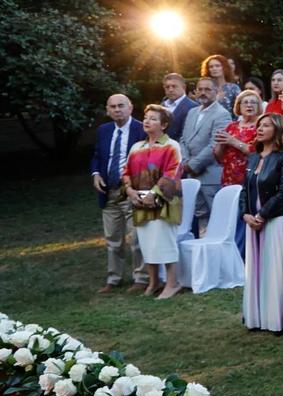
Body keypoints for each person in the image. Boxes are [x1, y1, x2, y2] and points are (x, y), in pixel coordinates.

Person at [241, 112, 283, 332]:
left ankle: (276, 318)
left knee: (274, 270)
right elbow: (244, 189)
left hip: (275, 221)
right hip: (253, 222)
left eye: (266, 125)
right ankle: (256, 316)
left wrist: (263, 214)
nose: (260, 128)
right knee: (256, 269)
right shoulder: (254, 157)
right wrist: (245, 214)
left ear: (277, 130)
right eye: (259, 125)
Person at [125, 104, 186, 298]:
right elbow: (126, 172)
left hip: (164, 201)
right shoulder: (137, 147)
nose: (147, 121)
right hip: (140, 201)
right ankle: (153, 282)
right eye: (146, 117)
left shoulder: (172, 146)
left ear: (164, 124)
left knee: (164, 241)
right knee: (147, 242)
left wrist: (154, 193)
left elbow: (172, 172)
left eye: (153, 118)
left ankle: (172, 283)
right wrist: (129, 190)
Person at [91, 93, 146, 294]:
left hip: (132, 190)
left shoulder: (141, 129)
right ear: (108, 110)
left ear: (130, 108)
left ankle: (141, 278)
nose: (117, 109)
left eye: (121, 105)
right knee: (112, 239)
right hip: (108, 191)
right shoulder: (104, 130)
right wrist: (95, 173)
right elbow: (97, 155)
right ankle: (113, 278)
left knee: (137, 237)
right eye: (112, 106)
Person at [177, 77, 231, 230]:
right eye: (200, 89)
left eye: (207, 89)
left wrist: (193, 165)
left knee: (216, 220)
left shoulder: (222, 114)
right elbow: (183, 139)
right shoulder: (192, 112)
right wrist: (185, 162)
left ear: (217, 92)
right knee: (200, 219)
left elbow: (215, 144)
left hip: (210, 175)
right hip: (191, 175)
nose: (203, 93)